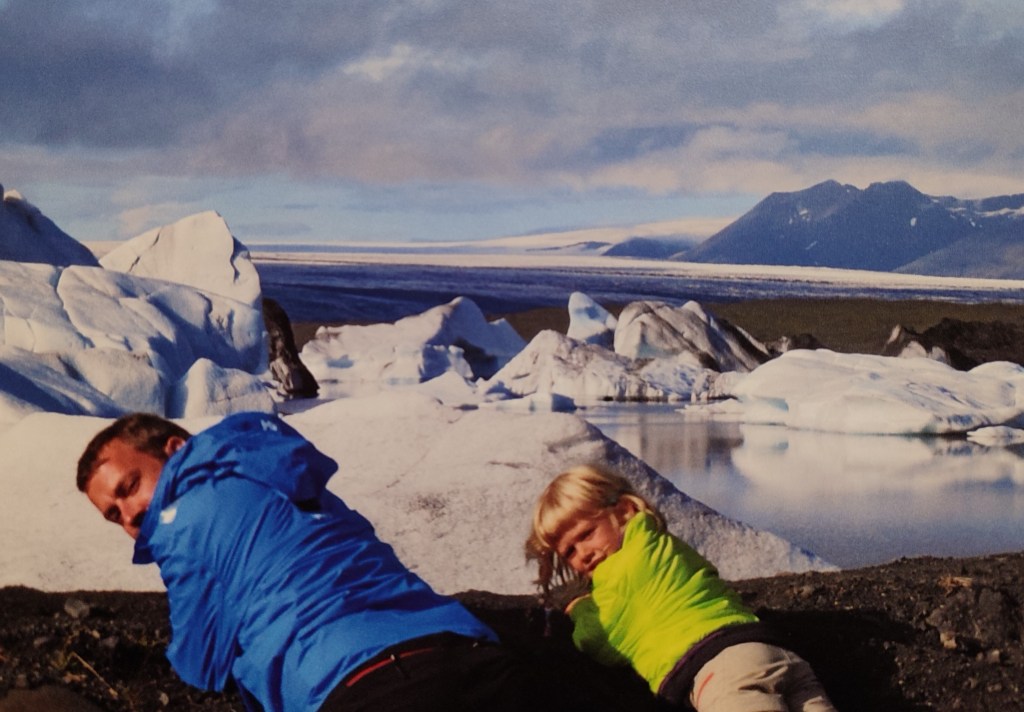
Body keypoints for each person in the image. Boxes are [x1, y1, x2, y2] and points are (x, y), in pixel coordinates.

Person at [77, 411, 557, 712]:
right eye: (113, 515)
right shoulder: (277, 469)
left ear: (175, 449)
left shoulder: (181, 524)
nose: (131, 515)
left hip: (363, 687)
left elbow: (200, 663)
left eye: (130, 487)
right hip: (471, 654)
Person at [525, 464, 838, 712]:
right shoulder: (660, 544)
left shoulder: (618, 572)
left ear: (622, 512)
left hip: (721, 671)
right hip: (775, 653)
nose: (584, 553)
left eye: (587, 533)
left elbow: (602, 639)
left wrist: (579, 609)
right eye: (569, 552)